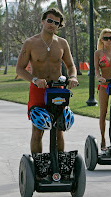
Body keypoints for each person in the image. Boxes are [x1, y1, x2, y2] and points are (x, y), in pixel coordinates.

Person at [16, 8, 78, 155]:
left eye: (56, 23)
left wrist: (73, 77)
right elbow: (19, 69)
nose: (52, 24)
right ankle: (38, 169)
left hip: (58, 89)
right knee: (38, 130)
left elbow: (70, 66)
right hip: (38, 90)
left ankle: (59, 167)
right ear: (43, 21)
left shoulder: (62, 43)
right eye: (49, 21)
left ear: (59, 26)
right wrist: (35, 79)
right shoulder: (30, 43)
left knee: (59, 130)